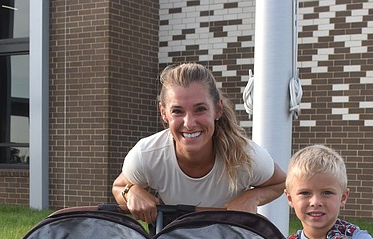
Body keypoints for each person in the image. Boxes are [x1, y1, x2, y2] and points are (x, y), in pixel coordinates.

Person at [112, 62, 286, 224]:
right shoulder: (147, 154)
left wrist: (251, 197)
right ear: (163, 113)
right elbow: (118, 187)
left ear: (218, 109)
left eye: (200, 109)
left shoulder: (246, 155)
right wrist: (130, 192)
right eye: (177, 111)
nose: (189, 123)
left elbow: (281, 183)